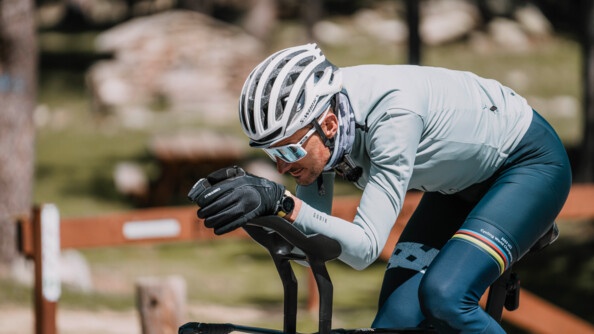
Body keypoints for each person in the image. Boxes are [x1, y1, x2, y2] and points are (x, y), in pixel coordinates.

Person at [188, 43, 572, 333]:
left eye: (289, 149)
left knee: (446, 296)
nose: (283, 165)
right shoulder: (325, 131)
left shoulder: (393, 116)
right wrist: (265, 211)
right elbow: (310, 248)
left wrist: (283, 202)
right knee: (395, 323)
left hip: (527, 166)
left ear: (330, 125)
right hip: (459, 185)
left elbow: (365, 249)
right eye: (272, 153)